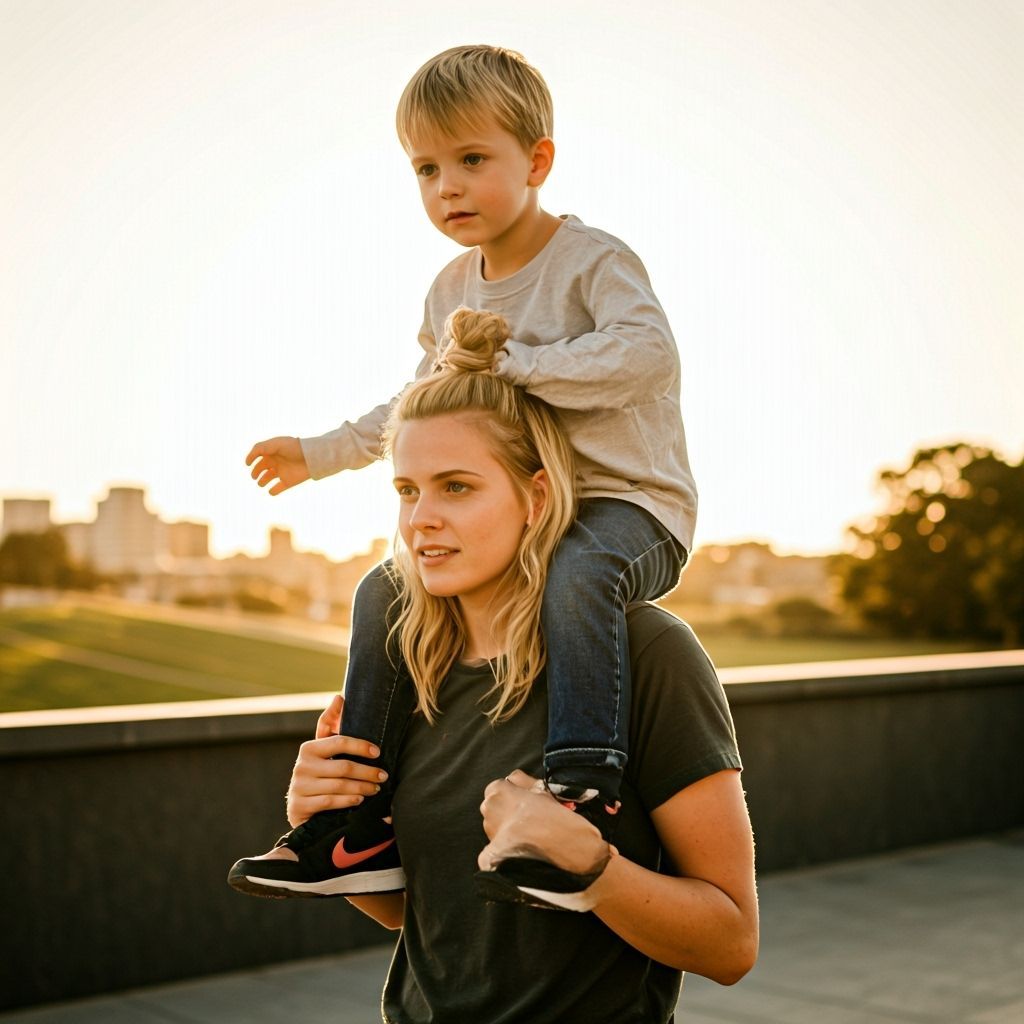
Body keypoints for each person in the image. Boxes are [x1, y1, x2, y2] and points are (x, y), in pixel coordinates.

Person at [231, 44, 698, 903]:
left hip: (627, 509)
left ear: (538, 161)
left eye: (472, 160)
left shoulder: (592, 260)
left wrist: (514, 365)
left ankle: (582, 793)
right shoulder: (450, 288)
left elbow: (648, 356)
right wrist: (321, 452)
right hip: (524, 517)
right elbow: (422, 404)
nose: (447, 186)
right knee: (383, 588)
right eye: (426, 169)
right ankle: (358, 832)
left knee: (579, 569)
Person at [255, 309, 756, 1022]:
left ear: (537, 496)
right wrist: (318, 812)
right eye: (407, 490)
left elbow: (731, 944)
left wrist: (595, 871)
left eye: (456, 487)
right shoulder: (404, 665)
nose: (421, 517)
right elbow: (411, 914)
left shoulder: (647, 654)